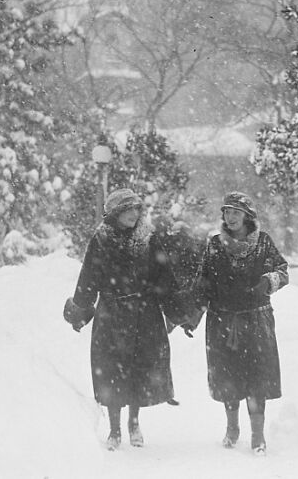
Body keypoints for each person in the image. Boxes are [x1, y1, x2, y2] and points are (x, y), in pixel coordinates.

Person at [63, 188, 187, 451]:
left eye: (136, 209)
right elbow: (89, 277)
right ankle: (115, 429)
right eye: (128, 209)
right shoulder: (101, 239)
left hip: (145, 313)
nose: (133, 214)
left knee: (139, 369)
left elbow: (164, 278)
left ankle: (134, 422)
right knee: (111, 370)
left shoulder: (149, 239)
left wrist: (178, 312)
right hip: (112, 314)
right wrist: (81, 309)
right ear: (116, 213)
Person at [190, 191, 289, 455]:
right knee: (228, 377)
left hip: (257, 319)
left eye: (236, 212)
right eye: (227, 212)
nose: (230, 217)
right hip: (222, 320)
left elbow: (282, 271)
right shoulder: (214, 244)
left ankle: (258, 434)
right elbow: (203, 283)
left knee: (257, 378)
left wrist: (268, 281)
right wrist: (193, 313)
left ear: (247, 216)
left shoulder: (264, 243)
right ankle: (232, 428)